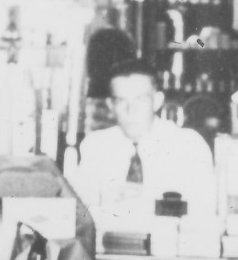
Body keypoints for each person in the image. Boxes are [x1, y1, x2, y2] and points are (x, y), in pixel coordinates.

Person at [71, 62, 216, 238]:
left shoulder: (188, 145)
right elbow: (81, 216)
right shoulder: (96, 146)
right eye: (121, 101)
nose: (130, 110)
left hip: (168, 248)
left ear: (157, 101)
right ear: (110, 105)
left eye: (140, 99)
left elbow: (204, 216)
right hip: (109, 249)